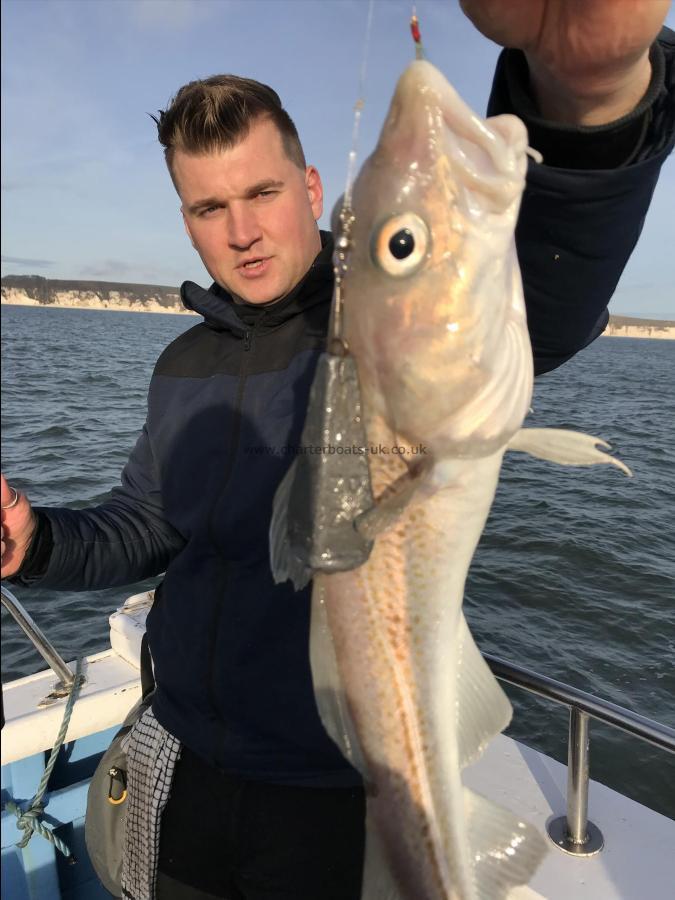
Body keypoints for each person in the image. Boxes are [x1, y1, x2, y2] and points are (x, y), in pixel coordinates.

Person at [2, 3, 674, 898]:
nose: (240, 230)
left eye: (262, 193)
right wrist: (35, 540)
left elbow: (544, 280)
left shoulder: (376, 326)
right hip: (188, 765)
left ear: (312, 189)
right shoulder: (184, 363)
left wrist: (592, 96)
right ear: (187, 218)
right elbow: (151, 524)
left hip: (333, 794)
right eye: (209, 207)